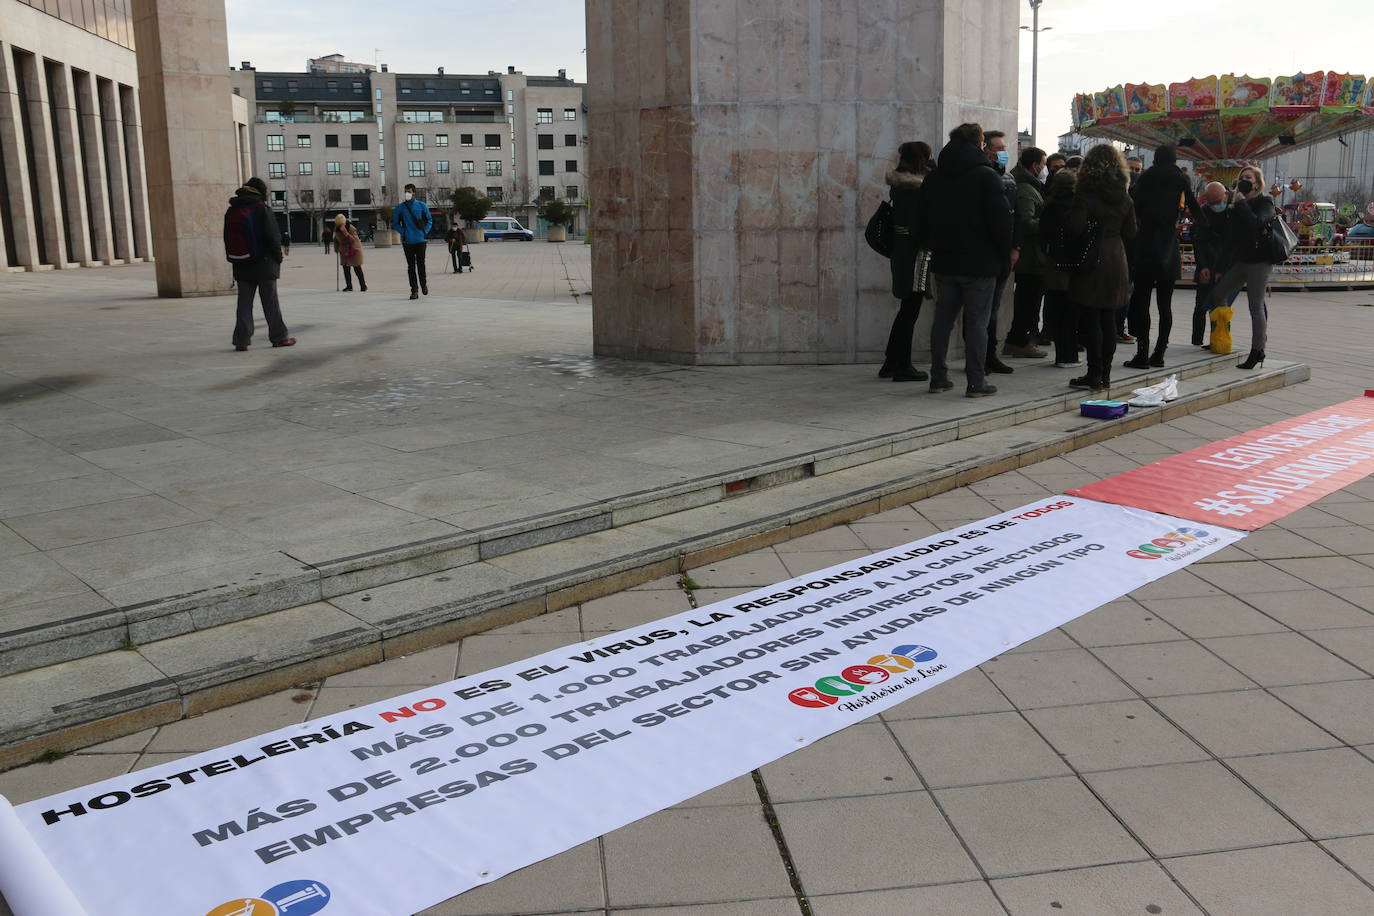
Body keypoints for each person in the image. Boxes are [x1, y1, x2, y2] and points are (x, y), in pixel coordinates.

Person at [917, 122, 1013, 398]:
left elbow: (922, 219)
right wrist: (1004, 255)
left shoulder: (934, 177)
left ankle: (938, 377)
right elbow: (1001, 223)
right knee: (976, 324)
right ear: (979, 143)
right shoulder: (985, 176)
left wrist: (932, 246)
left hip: (945, 262)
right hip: (980, 264)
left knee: (943, 321)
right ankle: (976, 382)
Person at [1065, 145, 1136, 391]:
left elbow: (1076, 228)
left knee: (1091, 317)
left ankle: (1093, 373)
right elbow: (1131, 232)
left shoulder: (1086, 195)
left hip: (1092, 258)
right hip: (1117, 258)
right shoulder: (1125, 196)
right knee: (1108, 318)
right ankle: (1105, 375)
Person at [1124, 144, 1199, 368]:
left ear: (1155, 159)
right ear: (1174, 160)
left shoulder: (1147, 177)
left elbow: (1133, 203)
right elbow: (1195, 208)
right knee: (1165, 306)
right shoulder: (1180, 178)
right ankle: (1159, 353)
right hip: (1168, 247)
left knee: (1142, 302)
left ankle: (1142, 353)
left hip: (1146, 244)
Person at [1208, 164, 1278, 369]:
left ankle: (1258, 350)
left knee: (1255, 305)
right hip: (1242, 260)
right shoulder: (1235, 204)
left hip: (1260, 261)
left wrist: (1242, 205)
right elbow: (1229, 239)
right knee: (1218, 293)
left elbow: (1258, 224)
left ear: (1257, 183)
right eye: (1241, 178)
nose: (1244, 181)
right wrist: (1220, 268)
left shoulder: (1265, 201)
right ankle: (1222, 335)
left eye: (1248, 178)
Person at [880, 141, 934, 382]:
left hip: (902, 250)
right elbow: (920, 224)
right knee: (910, 309)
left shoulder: (900, 184)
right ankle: (902, 365)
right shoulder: (917, 188)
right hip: (915, 253)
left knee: (907, 308)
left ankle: (892, 362)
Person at [223, 176, 294, 351]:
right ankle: (279, 337)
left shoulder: (232, 210)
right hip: (264, 263)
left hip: (241, 263)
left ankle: (241, 340)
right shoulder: (262, 208)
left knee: (244, 304)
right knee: (270, 302)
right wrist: (278, 258)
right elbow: (273, 237)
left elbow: (226, 237)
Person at [1004, 146, 1049, 358]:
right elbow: (1026, 222)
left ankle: (1019, 340)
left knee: (1028, 300)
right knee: (1027, 302)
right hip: (1031, 257)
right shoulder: (1025, 188)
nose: (1044, 168)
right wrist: (1050, 222)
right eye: (1043, 164)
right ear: (1034, 165)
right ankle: (1020, 341)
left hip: (1034, 255)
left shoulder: (1030, 185)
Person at [981, 130, 1019, 374]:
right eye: (998, 148)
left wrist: (1016, 246)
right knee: (979, 310)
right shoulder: (981, 177)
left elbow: (1017, 215)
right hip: (986, 253)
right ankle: (979, 357)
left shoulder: (1009, 179)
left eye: (1004, 148)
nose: (1003, 153)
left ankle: (990, 355)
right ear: (986, 149)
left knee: (993, 308)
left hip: (1005, 253)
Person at [1039, 168, 1083, 368]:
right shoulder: (1078, 205)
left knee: (1057, 309)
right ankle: (1070, 355)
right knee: (1071, 312)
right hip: (1074, 265)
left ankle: (1061, 355)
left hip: (1054, 263)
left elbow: (1043, 235)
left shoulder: (1049, 205)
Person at [1190, 181, 1231, 346]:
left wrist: (1222, 268)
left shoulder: (1232, 212)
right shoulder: (1203, 212)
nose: (1216, 206)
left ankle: (1218, 339)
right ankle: (1196, 340)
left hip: (1224, 267)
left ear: (1225, 196)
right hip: (1206, 265)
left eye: (1218, 201)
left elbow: (1231, 245)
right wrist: (1203, 267)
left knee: (1220, 306)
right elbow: (1198, 242)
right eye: (1212, 202)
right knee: (1200, 305)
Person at [394, 183, 433, 299]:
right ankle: (414, 290)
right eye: (405, 191)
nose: (407, 194)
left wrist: (424, 231)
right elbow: (395, 224)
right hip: (407, 242)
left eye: (409, 191)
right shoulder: (400, 208)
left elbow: (429, 220)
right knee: (411, 267)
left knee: (421, 264)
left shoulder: (422, 206)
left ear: (414, 193)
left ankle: (423, 284)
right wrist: (404, 232)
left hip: (421, 240)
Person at [334, 213, 367, 292]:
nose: (340, 225)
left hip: (354, 250)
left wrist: (345, 231)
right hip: (344, 251)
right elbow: (336, 240)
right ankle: (349, 286)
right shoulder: (337, 229)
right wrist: (337, 248)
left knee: (357, 268)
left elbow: (352, 240)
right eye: (338, 224)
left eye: (341, 223)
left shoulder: (351, 228)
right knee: (346, 269)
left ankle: (363, 286)